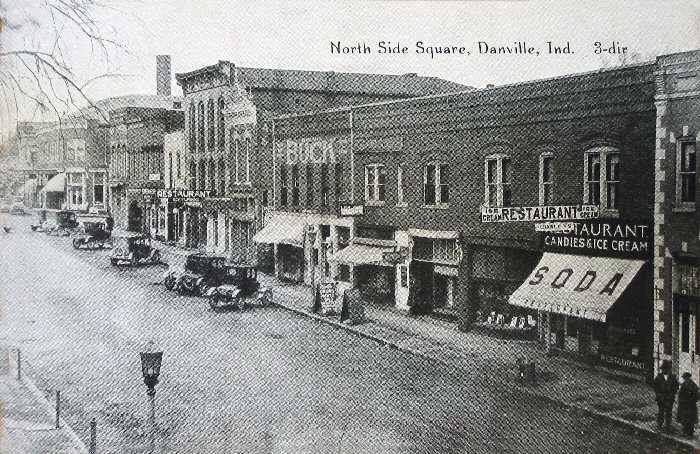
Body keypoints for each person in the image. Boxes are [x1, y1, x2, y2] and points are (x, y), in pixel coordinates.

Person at [654, 360, 679, 432]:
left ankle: (668, 426)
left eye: (666, 368)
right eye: (663, 369)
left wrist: (672, 394)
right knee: (661, 411)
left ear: (669, 369)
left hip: (669, 398)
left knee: (668, 412)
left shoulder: (672, 378)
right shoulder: (659, 377)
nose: (665, 370)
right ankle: (660, 424)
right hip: (661, 398)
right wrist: (658, 395)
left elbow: (676, 387)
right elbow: (655, 387)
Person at [677, 372, 699, 438]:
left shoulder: (693, 385)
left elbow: (697, 396)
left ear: (689, 377)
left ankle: (690, 434)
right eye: (684, 378)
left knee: (690, 420)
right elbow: (680, 394)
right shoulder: (683, 384)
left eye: (686, 377)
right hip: (684, 405)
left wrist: (691, 400)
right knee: (684, 420)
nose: (685, 379)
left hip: (690, 406)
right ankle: (684, 433)